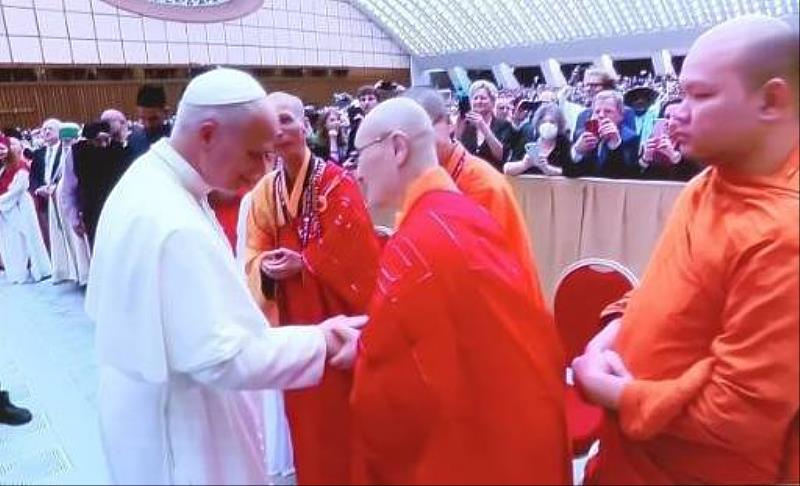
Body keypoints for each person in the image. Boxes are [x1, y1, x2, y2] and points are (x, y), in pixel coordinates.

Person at [84, 68, 367, 485]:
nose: (261, 172)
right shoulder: (170, 219)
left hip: (149, 414)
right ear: (208, 134)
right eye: (254, 155)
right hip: (183, 431)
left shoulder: (151, 181)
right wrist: (322, 341)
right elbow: (223, 358)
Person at [572, 15, 799, 485]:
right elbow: (662, 290)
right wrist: (605, 340)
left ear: (771, 101)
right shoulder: (709, 181)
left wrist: (612, 392)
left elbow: (738, 416)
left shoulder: (785, 233)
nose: (677, 111)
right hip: (628, 458)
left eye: (700, 95)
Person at [350, 98, 570, 484]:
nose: (357, 171)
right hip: (509, 418)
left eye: (361, 153)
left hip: (468, 438)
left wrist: (362, 351)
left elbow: (389, 386)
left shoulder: (425, 237)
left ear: (398, 148)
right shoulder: (456, 216)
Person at [244, 92, 380, 485]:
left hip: (334, 318)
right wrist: (265, 266)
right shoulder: (265, 192)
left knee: (339, 417)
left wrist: (304, 262)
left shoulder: (336, 182)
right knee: (303, 417)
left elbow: (357, 250)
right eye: (271, 122)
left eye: (286, 119)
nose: (279, 129)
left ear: (305, 126)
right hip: (292, 318)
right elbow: (253, 249)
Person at [401, 86, 548, 310]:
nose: (418, 143)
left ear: (449, 124)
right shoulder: (421, 178)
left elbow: (490, 278)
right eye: (407, 135)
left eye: (425, 129)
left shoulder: (483, 186)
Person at [0, 133, 51, 284]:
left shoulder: (21, 165)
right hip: (5, 209)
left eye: (3, 149)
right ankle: (17, 273)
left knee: (30, 236)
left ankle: (40, 269)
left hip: (20, 205)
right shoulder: (2, 169)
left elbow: (18, 189)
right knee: (11, 240)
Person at [569, 90, 641, 179]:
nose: (601, 115)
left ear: (621, 116)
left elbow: (628, 176)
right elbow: (570, 173)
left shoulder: (631, 138)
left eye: (608, 111)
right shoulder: (581, 135)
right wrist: (577, 152)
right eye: (597, 111)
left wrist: (615, 146)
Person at [456, 80, 515, 171]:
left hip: (494, 175)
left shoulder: (504, 125)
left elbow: (501, 156)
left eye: (483, 98)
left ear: (493, 102)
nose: (478, 101)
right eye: (475, 98)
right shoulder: (466, 125)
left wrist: (483, 126)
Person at [639, 98, 704, 181]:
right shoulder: (651, 142)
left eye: (677, 118)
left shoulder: (698, 147)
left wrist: (675, 157)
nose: (670, 122)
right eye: (667, 117)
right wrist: (645, 159)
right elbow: (633, 180)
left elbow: (699, 179)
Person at [504, 102, 573, 176]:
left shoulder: (564, 144)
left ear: (559, 125)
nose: (548, 125)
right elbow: (507, 169)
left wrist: (548, 169)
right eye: (544, 122)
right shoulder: (529, 140)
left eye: (552, 122)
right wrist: (524, 164)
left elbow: (572, 171)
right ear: (538, 124)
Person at [30, 118, 62, 247]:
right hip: (43, 200)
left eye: (50, 129)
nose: (47, 132)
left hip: (60, 196)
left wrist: (56, 188)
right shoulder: (38, 153)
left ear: (59, 131)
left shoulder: (67, 150)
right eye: (44, 129)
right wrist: (38, 189)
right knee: (50, 236)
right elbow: (33, 176)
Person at [127, 84, 172, 161]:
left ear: (166, 113)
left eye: (153, 119)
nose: (148, 125)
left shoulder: (176, 139)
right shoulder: (134, 140)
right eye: (143, 118)